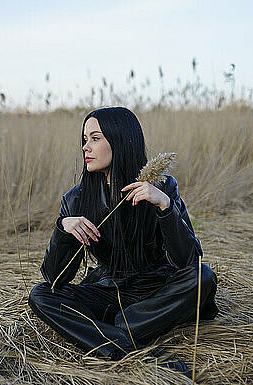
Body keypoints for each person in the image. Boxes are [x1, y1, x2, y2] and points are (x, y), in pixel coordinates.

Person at [28, 106, 219, 368]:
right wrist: (63, 228)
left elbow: (188, 261)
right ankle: (135, 349)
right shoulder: (75, 200)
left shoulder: (162, 188)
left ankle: (108, 330)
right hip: (108, 292)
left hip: (156, 291)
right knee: (40, 295)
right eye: (84, 140)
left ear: (120, 140)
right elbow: (54, 279)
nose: (86, 147)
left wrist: (165, 207)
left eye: (95, 138)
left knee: (203, 276)